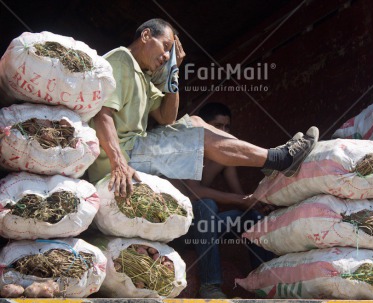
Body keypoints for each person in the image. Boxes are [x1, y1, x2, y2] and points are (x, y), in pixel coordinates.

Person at [88, 18, 319, 197]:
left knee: (197, 123)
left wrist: (173, 73)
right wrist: (119, 163)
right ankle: (279, 159)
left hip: (134, 151)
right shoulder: (121, 59)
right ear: (146, 35)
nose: (166, 55)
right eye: (165, 47)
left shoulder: (145, 77)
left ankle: (269, 160)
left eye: (170, 52)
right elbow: (103, 115)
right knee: (198, 134)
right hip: (119, 156)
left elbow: (167, 118)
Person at [174, 102, 274, 299]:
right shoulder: (190, 149)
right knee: (206, 204)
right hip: (181, 229)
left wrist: (256, 203)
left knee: (251, 217)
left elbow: (241, 198)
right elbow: (193, 192)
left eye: (227, 127)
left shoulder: (224, 156)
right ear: (205, 127)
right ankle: (210, 287)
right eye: (217, 126)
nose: (223, 131)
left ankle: (267, 283)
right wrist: (241, 199)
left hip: (208, 228)